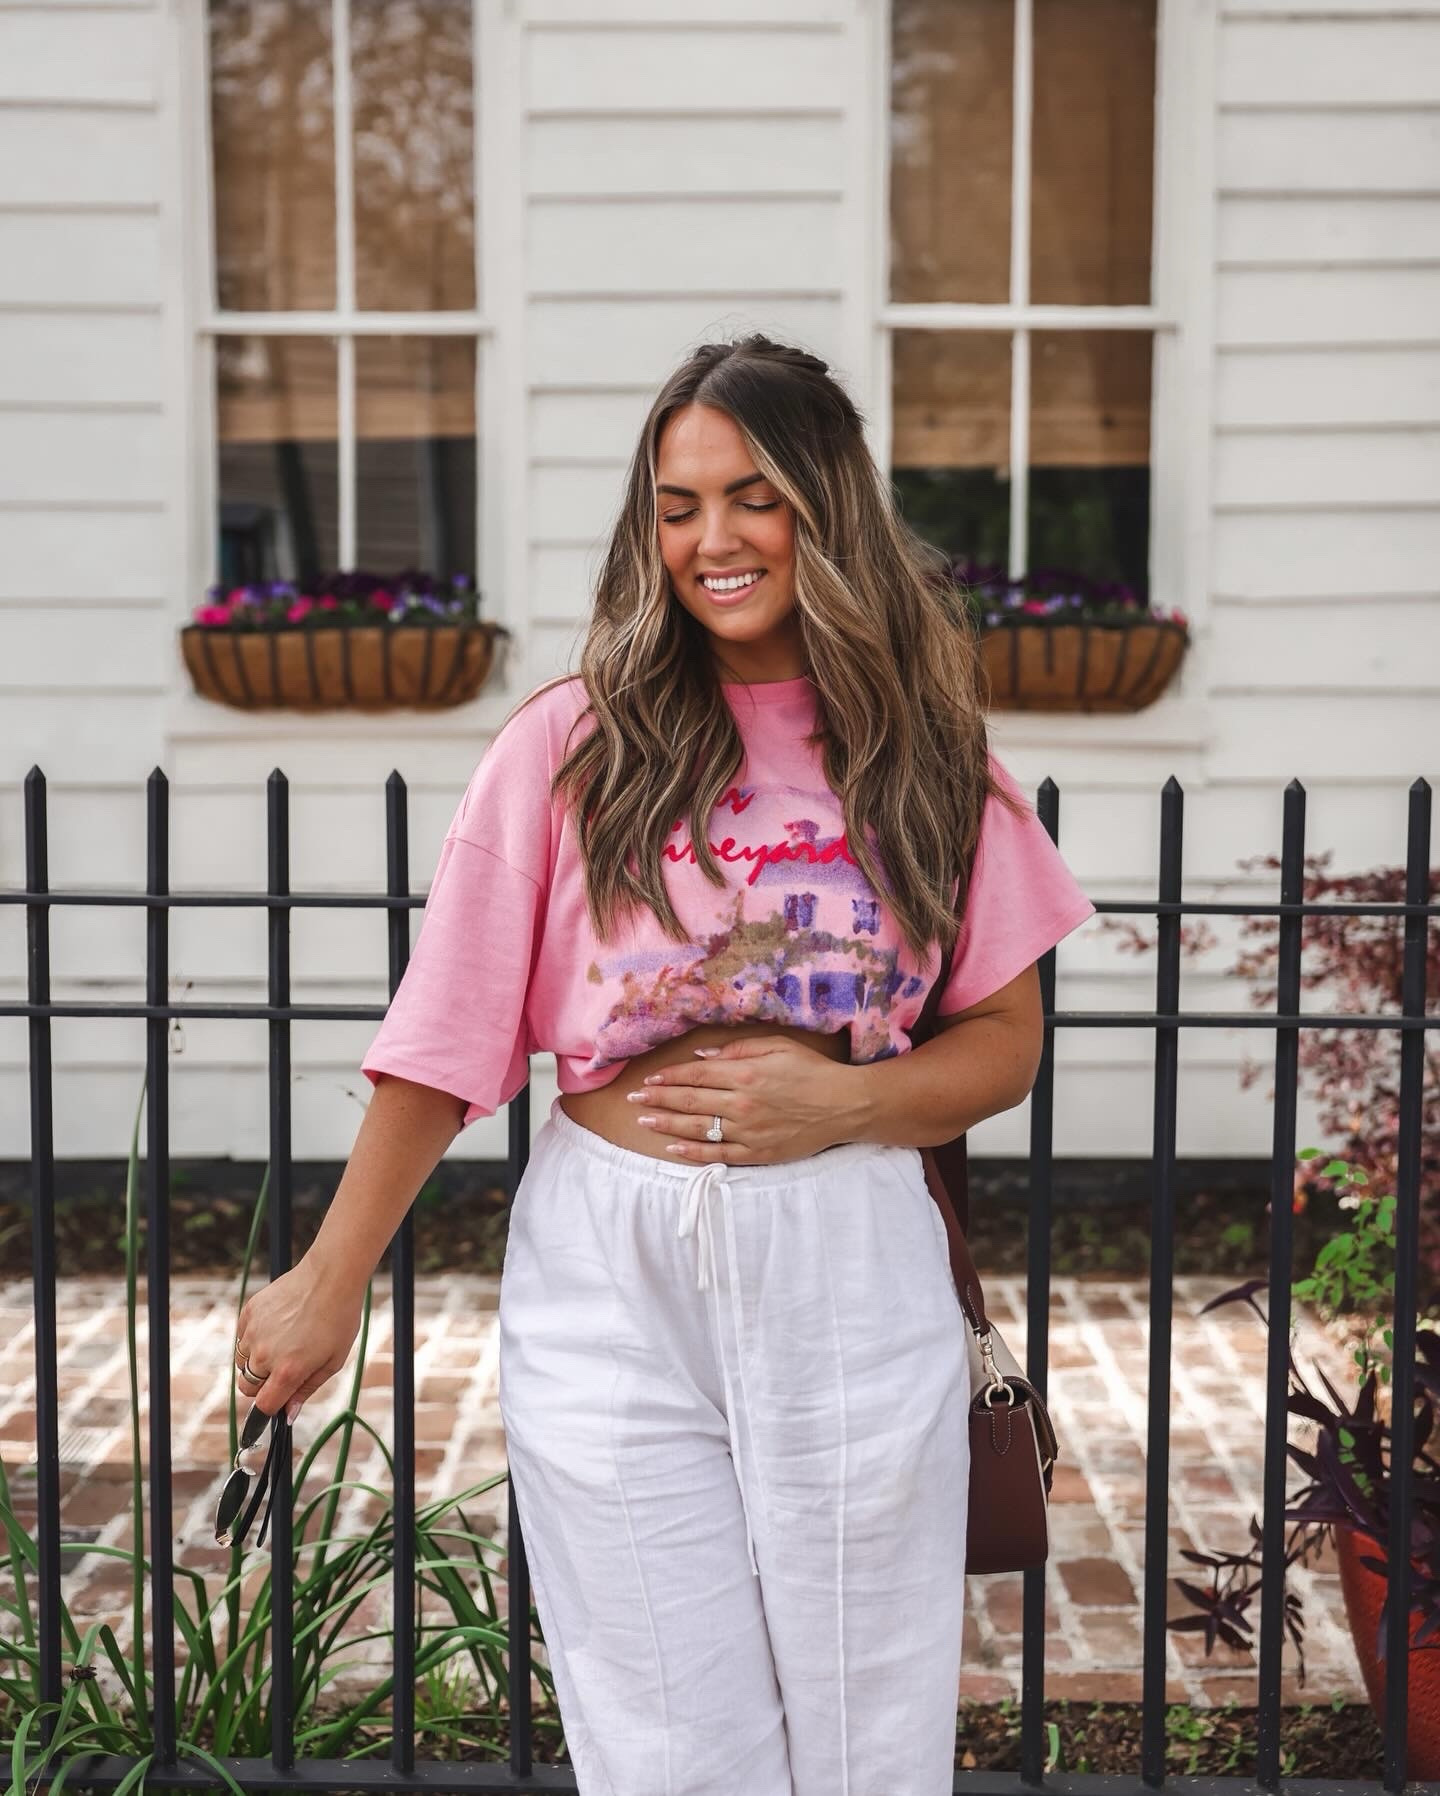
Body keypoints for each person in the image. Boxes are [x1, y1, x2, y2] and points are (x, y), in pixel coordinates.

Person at [231, 333, 1095, 1795]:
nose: (712, 540)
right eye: (677, 504)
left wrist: (853, 1099)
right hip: (606, 1265)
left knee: (861, 1723)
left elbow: (1005, 1043)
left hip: (845, 1247)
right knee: (663, 1737)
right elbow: (444, 1045)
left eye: (753, 496)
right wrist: (329, 1276)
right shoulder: (570, 744)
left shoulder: (927, 752)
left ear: (827, 507)